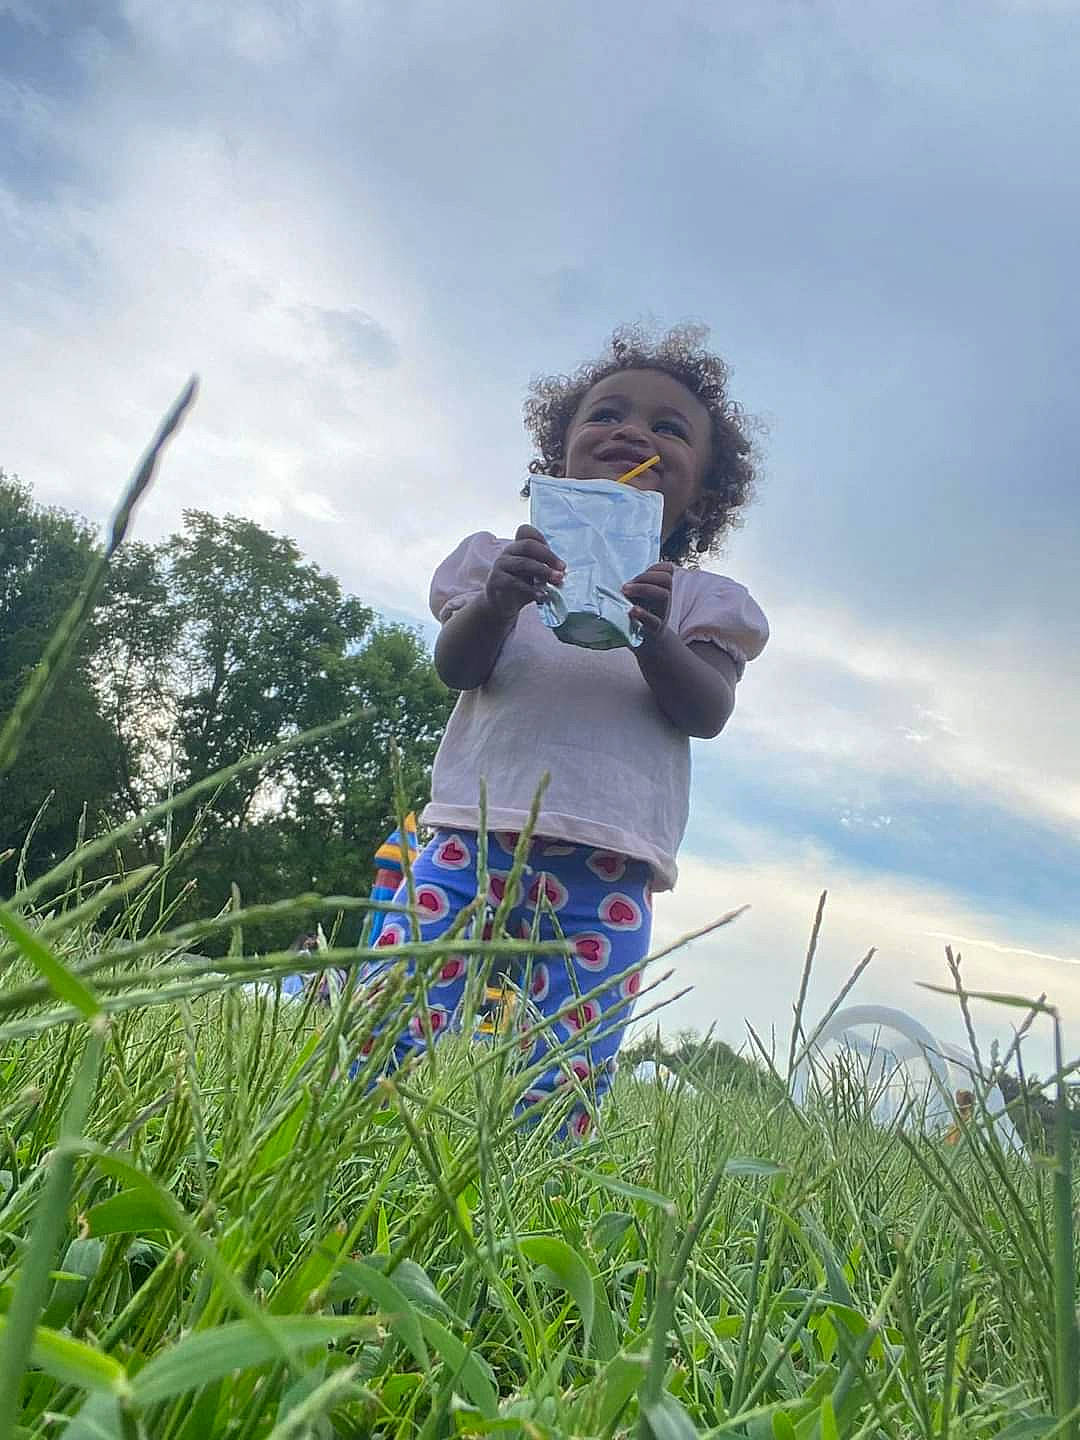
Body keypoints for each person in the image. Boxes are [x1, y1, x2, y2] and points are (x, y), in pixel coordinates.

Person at [360, 324, 769, 1137]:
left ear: (703, 491)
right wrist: (499, 602)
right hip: (468, 836)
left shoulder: (697, 600)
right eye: (606, 414)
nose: (632, 432)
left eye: (668, 428)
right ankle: (348, 1139)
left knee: (568, 1063)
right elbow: (458, 667)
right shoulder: (501, 564)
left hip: (608, 863)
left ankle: (531, 1181)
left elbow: (707, 712)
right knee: (393, 1011)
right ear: (559, 453)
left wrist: (650, 630)